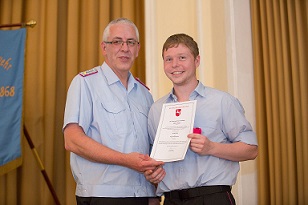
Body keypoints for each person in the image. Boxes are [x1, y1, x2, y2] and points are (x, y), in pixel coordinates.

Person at [144, 33, 258, 205]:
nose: (175, 65)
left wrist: (211, 147)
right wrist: (152, 172)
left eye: (182, 57)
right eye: (168, 59)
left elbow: (251, 150)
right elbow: (155, 158)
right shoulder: (156, 110)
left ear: (197, 61)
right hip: (171, 200)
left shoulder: (222, 101)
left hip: (213, 197)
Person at [63, 18, 164, 205]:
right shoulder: (85, 83)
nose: (125, 48)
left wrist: (154, 194)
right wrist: (126, 160)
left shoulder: (145, 94)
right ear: (104, 48)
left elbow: (150, 148)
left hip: (143, 195)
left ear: (137, 49)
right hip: (103, 196)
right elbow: (72, 140)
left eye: (131, 42)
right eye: (117, 41)